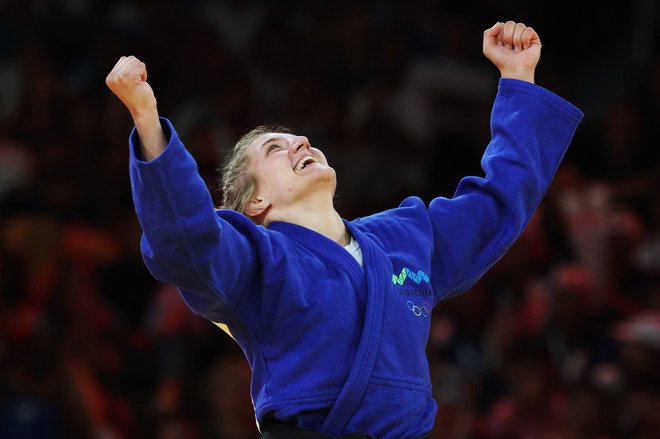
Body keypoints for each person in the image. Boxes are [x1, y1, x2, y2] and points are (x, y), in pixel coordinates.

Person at [106, 20, 583, 439]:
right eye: (276, 147)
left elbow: (498, 204)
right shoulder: (254, 255)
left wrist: (518, 80)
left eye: (300, 138)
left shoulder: (406, 235)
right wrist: (148, 121)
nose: (300, 142)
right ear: (255, 201)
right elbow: (186, 240)